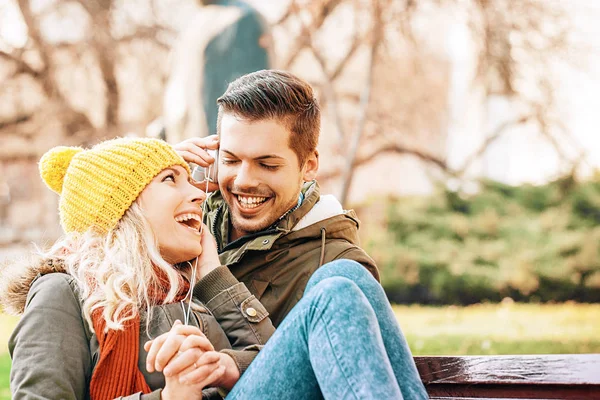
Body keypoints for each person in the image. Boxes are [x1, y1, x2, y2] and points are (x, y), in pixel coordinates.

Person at [171, 69, 428, 398]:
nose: (244, 180)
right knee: (340, 285)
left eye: (267, 165)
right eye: (231, 160)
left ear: (309, 165)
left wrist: (213, 277)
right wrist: (153, 181)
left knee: (342, 278)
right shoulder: (181, 221)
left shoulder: (332, 259)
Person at [0, 137, 275, 399]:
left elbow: (282, 369)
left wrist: (213, 276)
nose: (198, 194)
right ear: (122, 209)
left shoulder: (196, 290)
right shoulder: (63, 293)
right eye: (170, 179)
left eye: (190, 181)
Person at [163, 0, 273, 142]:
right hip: (190, 134)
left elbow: (251, 87)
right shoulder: (195, 22)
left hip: (224, 138)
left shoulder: (243, 18)